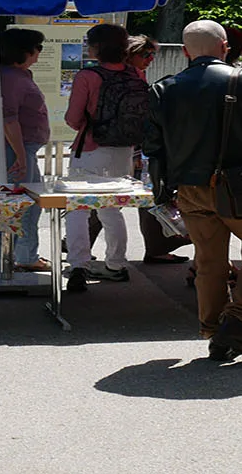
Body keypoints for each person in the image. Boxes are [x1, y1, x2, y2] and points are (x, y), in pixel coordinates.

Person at [143, 20, 242, 361]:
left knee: (209, 261)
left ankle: (215, 331)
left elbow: (153, 148)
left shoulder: (163, 88)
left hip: (189, 187)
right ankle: (240, 322)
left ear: (186, 51)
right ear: (225, 47)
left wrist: (163, 191)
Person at [61, 24, 145, 292]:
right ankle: (116, 264)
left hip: (90, 148)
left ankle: (78, 265)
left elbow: (73, 120)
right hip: (124, 149)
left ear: (95, 48)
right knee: (111, 208)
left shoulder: (88, 76)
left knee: (78, 208)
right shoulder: (136, 73)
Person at [0, 27, 49, 273]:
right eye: (38, 48)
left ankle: (23, 256)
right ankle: (5, 263)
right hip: (11, 148)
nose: (40, 53)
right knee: (15, 206)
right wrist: (20, 154)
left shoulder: (14, 74)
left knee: (27, 203)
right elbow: (8, 119)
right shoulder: (8, 77)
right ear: (25, 51)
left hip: (18, 147)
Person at [128, 34, 191, 264]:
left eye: (153, 54)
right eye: (146, 54)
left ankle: (157, 248)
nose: (151, 59)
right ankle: (156, 249)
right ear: (130, 55)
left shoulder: (138, 76)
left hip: (138, 145)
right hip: (134, 146)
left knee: (145, 198)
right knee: (142, 197)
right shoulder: (131, 78)